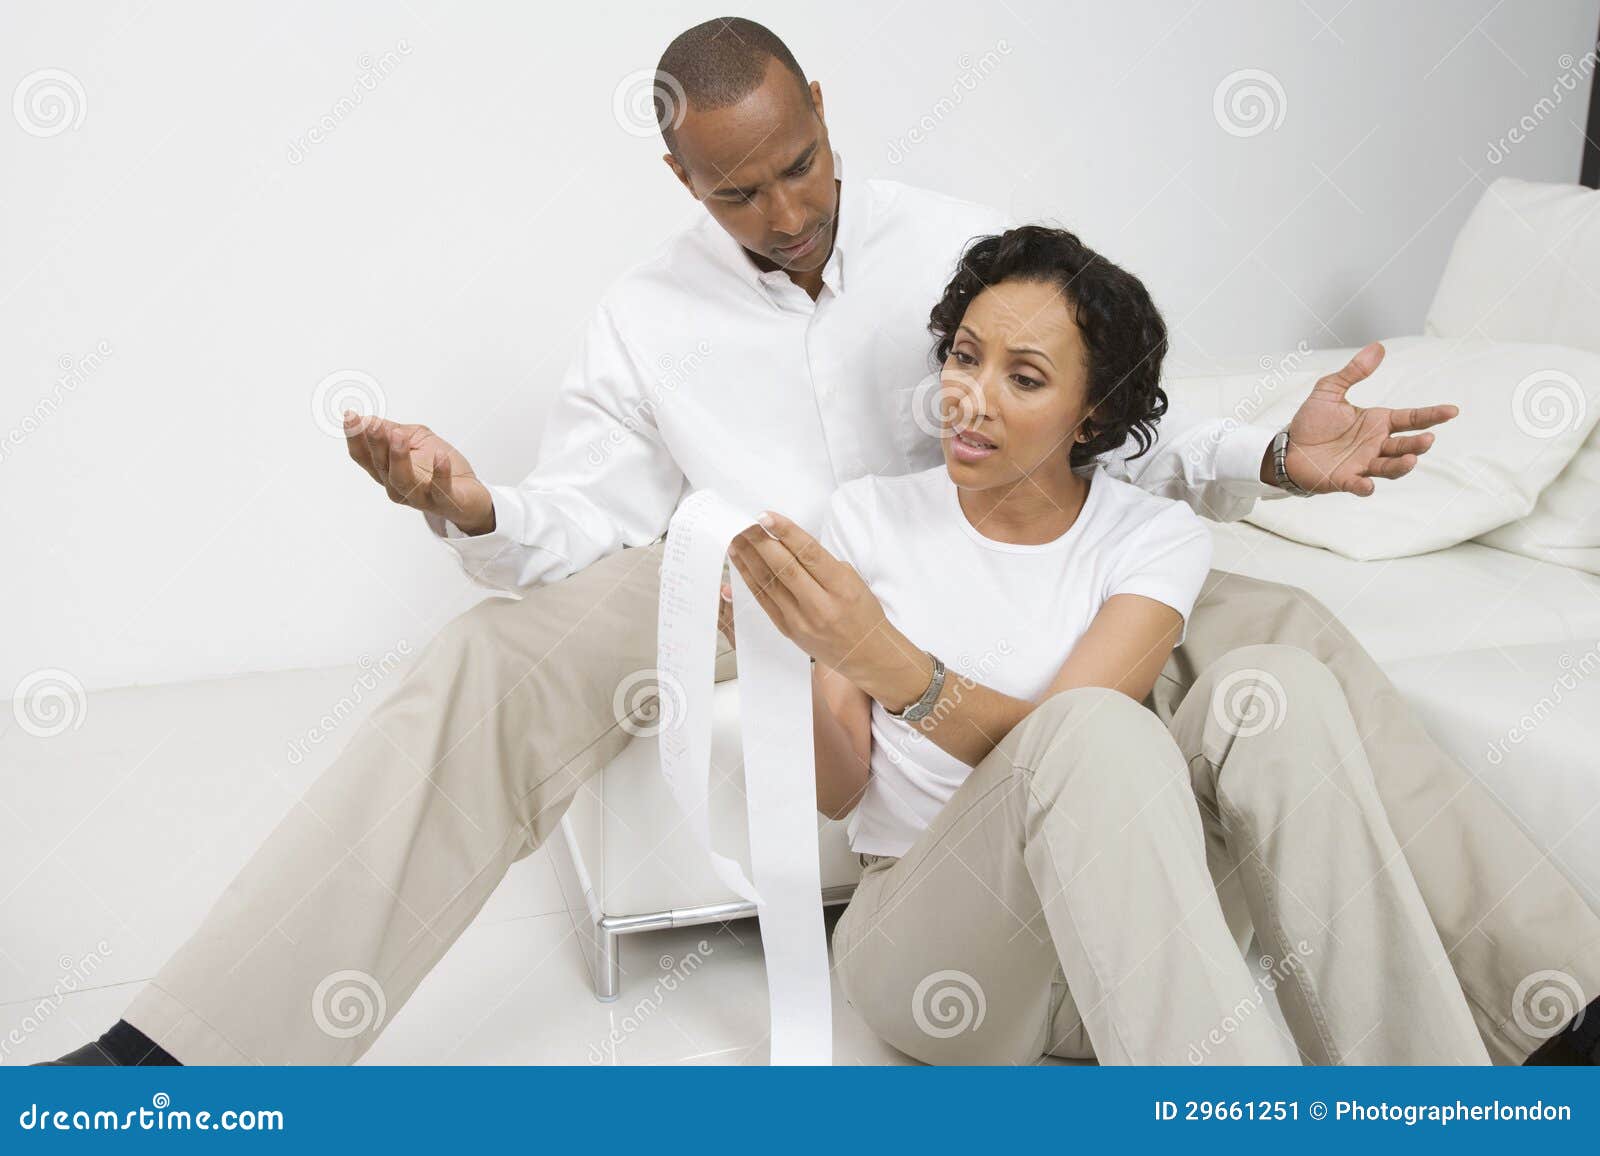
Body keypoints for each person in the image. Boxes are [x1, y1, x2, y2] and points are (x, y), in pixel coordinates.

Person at [46, 17, 1597, 1066]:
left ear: (823, 118)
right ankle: (174, 1059)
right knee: (489, 659)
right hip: (761, 580)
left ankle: (1559, 1010)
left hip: (1002, 541)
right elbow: (580, 517)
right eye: (739, 191)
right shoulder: (644, 315)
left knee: (1295, 640)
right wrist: (472, 507)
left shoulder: (952, 239)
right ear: (682, 177)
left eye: (798, 165)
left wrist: (1263, 453)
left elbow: (1096, 406)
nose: (785, 208)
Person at [726, 224, 1491, 1064]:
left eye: (1023, 377)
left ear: (1092, 413)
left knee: (1278, 692)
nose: (970, 398)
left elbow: (1067, 748)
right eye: (964, 357)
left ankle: (1421, 1099)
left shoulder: (1153, 537)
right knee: (1090, 730)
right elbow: (839, 794)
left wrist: (886, 659)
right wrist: (787, 658)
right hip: (941, 961)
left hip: (1120, 951)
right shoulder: (869, 517)